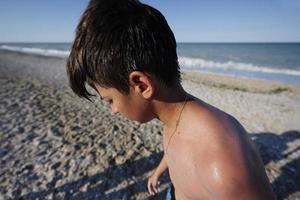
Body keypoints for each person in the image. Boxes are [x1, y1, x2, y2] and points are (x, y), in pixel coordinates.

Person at [66, 0, 276, 199]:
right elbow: (175, 148)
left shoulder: (223, 166)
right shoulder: (173, 117)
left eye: (110, 100)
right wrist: (157, 172)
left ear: (142, 85)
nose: (113, 110)